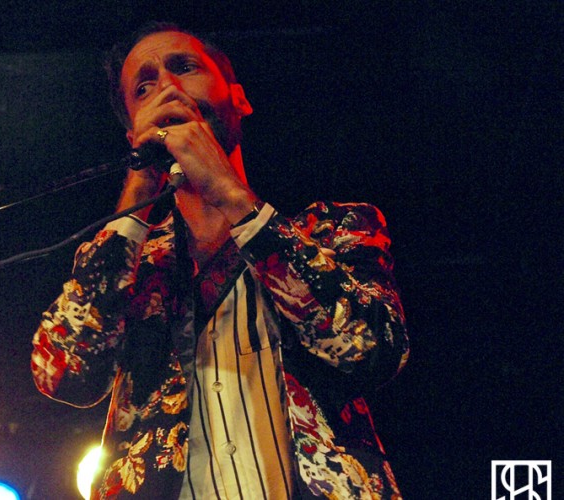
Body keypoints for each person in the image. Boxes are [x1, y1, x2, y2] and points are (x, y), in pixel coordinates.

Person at [32, 22, 409, 499]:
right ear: (132, 133)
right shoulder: (128, 263)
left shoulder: (333, 228)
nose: (167, 88)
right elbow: (65, 373)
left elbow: (375, 351)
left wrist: (231, 195)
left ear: (239, 98)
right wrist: (139, 185)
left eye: (185, 67)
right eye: (144, 87)